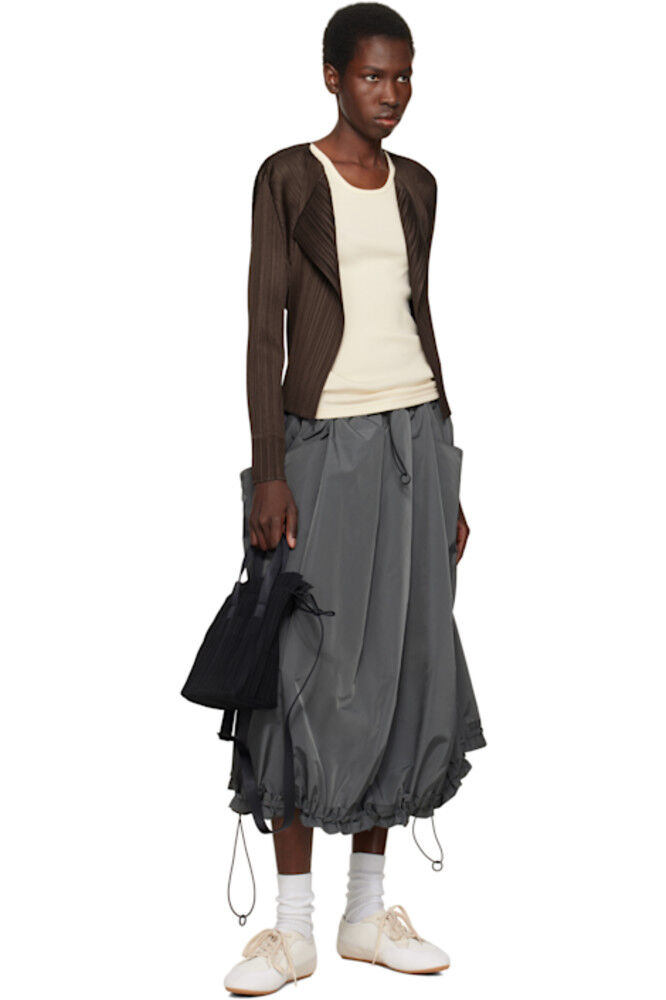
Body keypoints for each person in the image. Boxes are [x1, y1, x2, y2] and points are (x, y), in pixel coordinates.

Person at [223, 4, 487, 993]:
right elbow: (265, 329)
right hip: (321, 445)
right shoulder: (288, 177)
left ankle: (365, 915)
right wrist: (271, 467)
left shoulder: (418, 185)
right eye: (374, 76)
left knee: (404, 661)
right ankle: (291, 929)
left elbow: (422, 317)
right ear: (332, 76)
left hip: (414, 437)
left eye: (404, 76)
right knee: (302, 661)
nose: (393, 94)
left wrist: (448, 465)